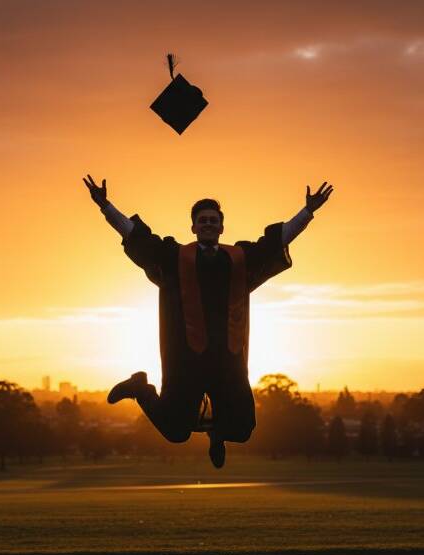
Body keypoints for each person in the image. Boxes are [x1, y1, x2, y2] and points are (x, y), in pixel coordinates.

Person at [83, 174, 333, 467]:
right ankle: (140, 388)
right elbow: (136, 236)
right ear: (193, 226)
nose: (208, 224)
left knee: (242, 429)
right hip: (185, 359)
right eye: (203, 220)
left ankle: (217, 433)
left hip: (228, 358)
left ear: (221, 226)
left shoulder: (239, 257)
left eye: (213, 220)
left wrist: (308, 212)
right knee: (175, 432)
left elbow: (276, 241)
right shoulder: (176, 257)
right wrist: (105, 206)